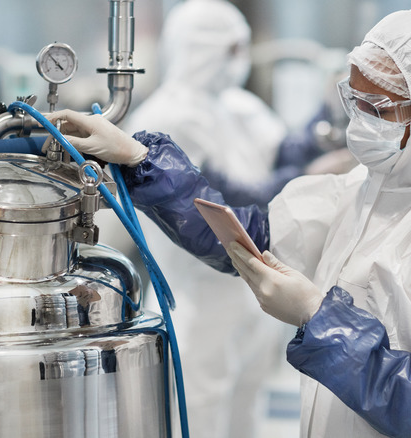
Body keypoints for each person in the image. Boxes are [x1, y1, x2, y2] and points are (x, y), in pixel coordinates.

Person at [49, 5, 411, 438]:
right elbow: (251, 238)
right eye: (352, 100)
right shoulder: (367, 189)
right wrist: (140, 159)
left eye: (376, 108)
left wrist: (320, 320)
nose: (358, 121)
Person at [120, 1, 337, 437]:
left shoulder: (238, 106)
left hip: (250, 291)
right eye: (231, 48)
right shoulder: (165, 118)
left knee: (246, 403)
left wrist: (325, 112)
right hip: (197, 296)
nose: (240, 60)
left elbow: (282, 155)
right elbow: (220, 203)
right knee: (199, 411)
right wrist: (307, 177)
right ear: (203, 49)